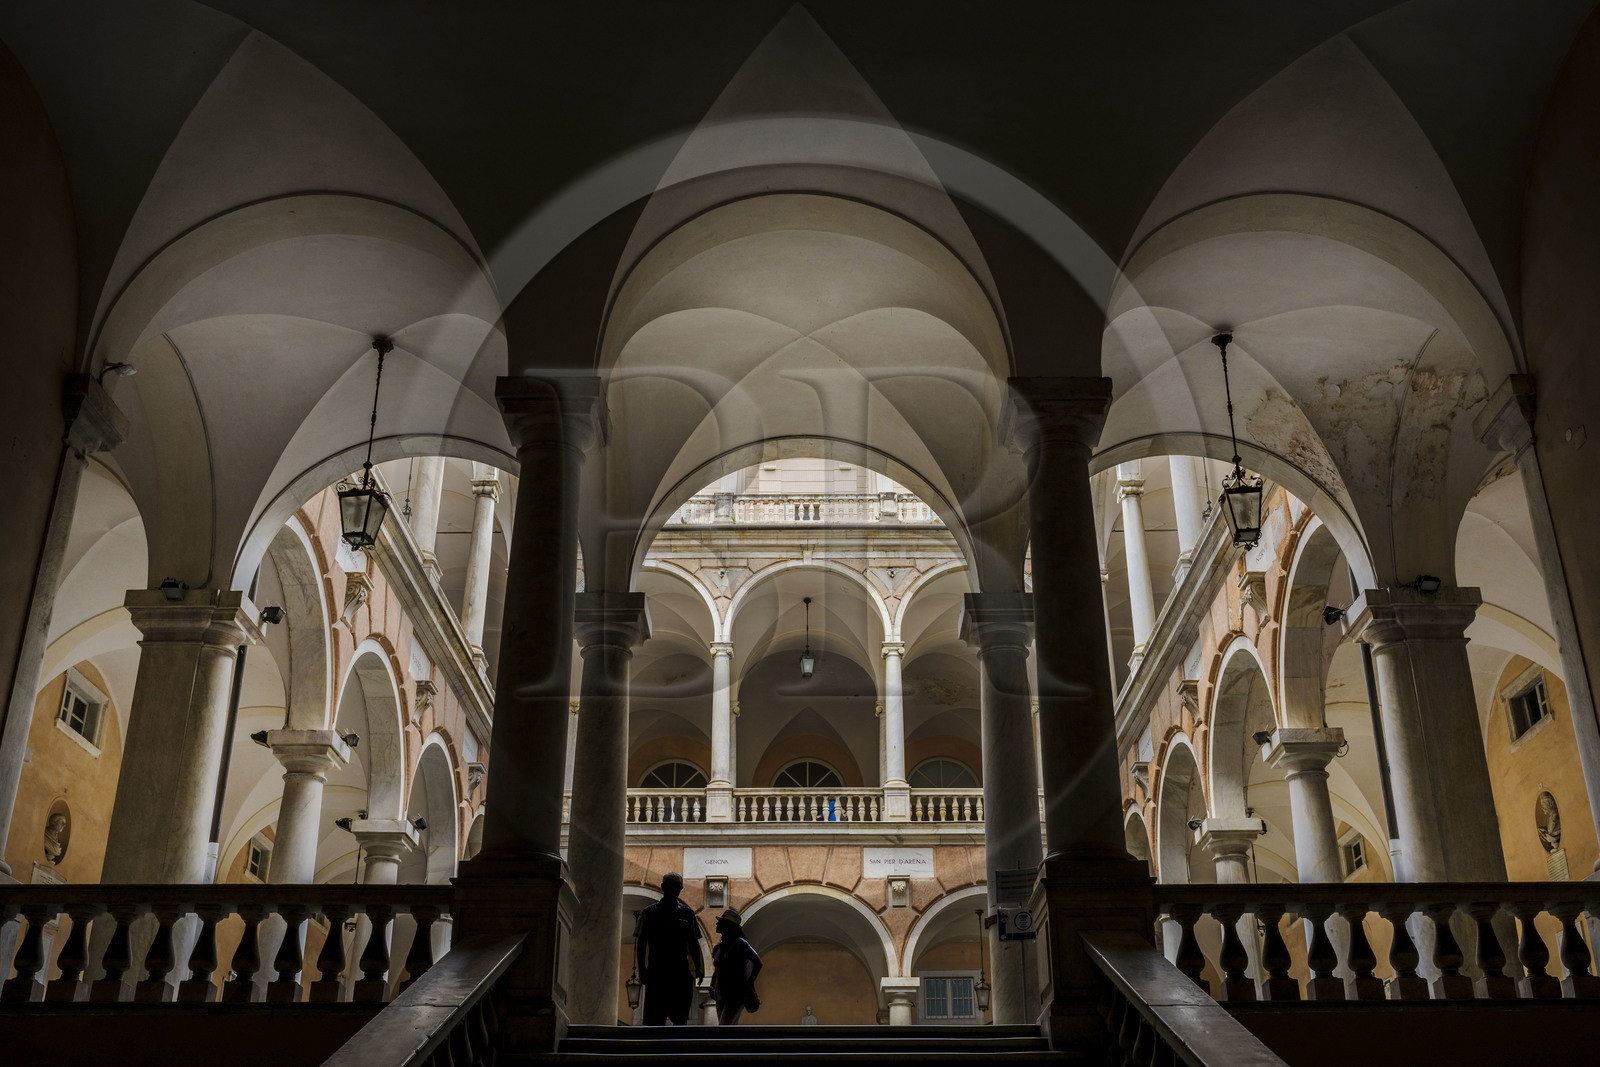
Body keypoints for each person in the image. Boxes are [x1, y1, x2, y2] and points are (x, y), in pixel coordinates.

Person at [635, 872, 705, 1025]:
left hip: (678, 973)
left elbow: (693, 942)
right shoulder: (649, 913)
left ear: (680, 889)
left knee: (679, 1018)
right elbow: (641, 943)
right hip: (658, 972)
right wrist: (641, 969)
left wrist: (699, 966)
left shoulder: (686, 913)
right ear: (663, 887)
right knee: (656, 1020)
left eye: (676, 887)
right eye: (670, 886)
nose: (673, 890)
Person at [710, 907, 762, 1025]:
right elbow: (716, 970)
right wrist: (711, 986)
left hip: (736, 992)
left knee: (724, 1026)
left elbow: (758, 963)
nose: (717, 923)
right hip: (720, 992)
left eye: (721, 922)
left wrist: (750, 982)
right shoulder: (718, 947)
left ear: (728, 926)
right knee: (728, 1027)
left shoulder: (740, 944)